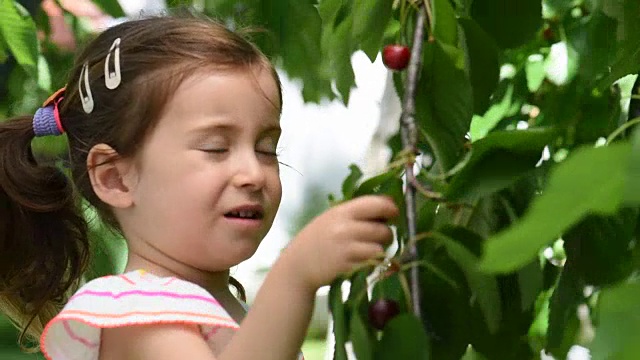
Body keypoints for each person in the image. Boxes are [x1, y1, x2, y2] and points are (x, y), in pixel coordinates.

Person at [0, 14, 398, 360]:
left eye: (266, 148)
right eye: (215, 147)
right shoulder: (134, 314)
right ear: (115, 177)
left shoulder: (227, 307)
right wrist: (295, 276)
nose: (253, 173)